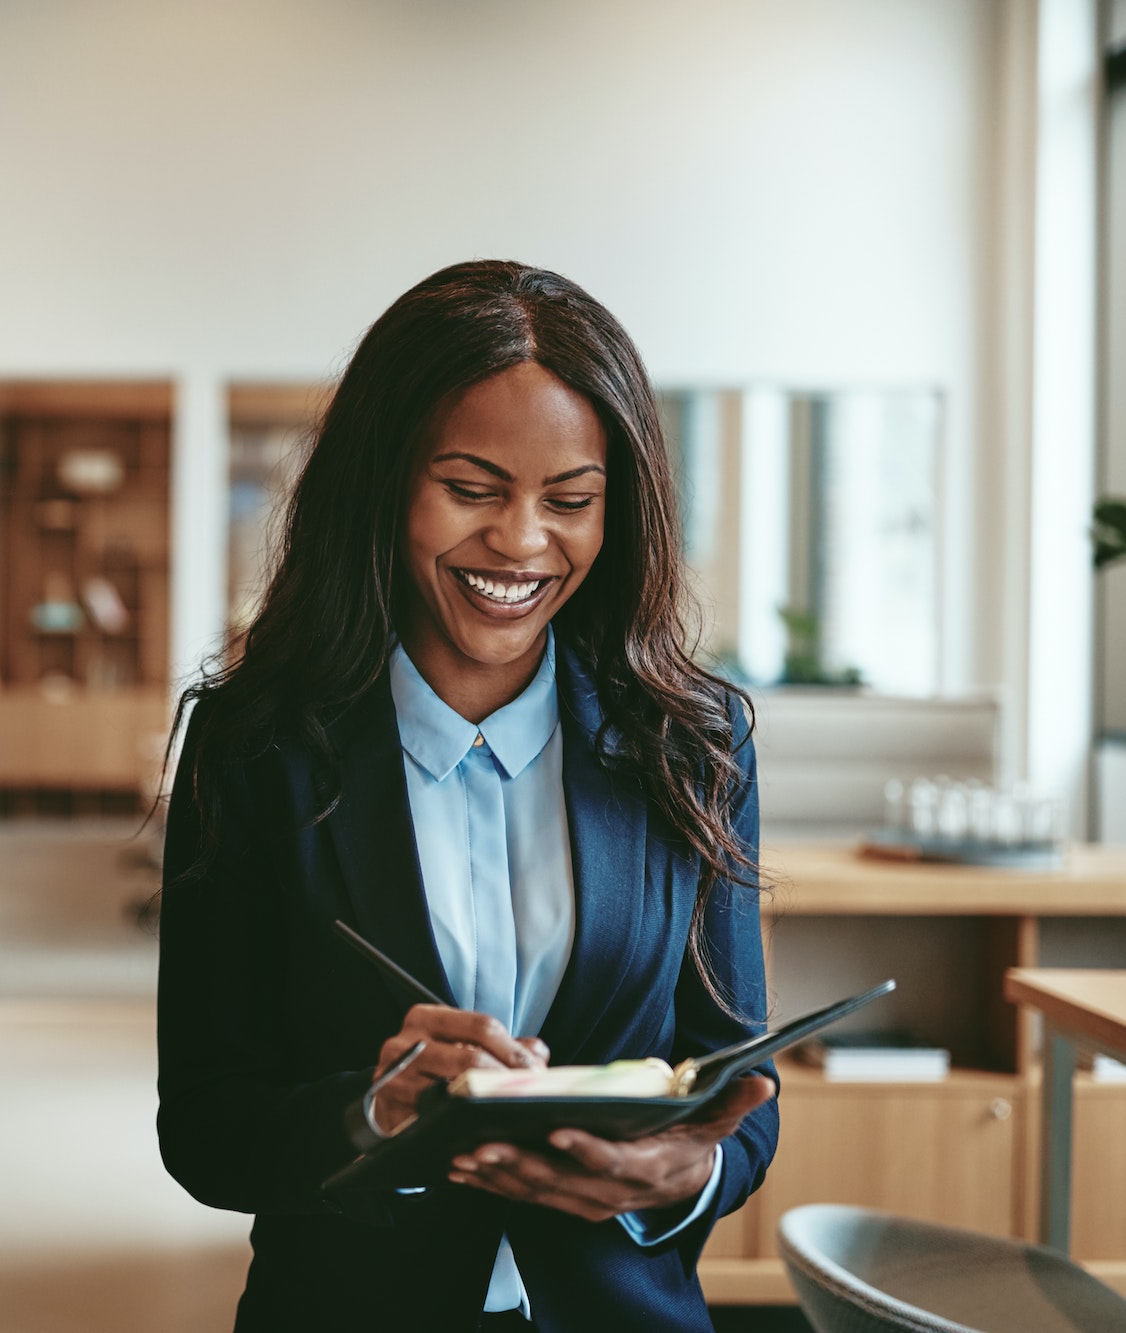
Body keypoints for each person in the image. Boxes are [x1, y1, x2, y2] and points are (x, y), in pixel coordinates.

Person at [156, 260, 778, 1332]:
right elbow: (206, 1128)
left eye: (570, 500)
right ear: (384, 484)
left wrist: (687, 1172)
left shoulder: (692, 743)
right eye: (472, 488)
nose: (522, 542)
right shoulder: (255, 748)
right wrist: (370, 1113)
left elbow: (739, 1091)